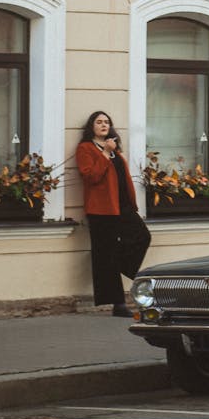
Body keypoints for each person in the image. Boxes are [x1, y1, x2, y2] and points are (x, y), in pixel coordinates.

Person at [76, 111, 151, 317]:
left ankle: (116, 264)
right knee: (106, 252)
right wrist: (105, 154)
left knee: (142, 236)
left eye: (107, 122)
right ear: (91, 126)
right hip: (101, 208)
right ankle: (118, 305)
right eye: (99, 122)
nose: (103, 125)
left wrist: (112, 152)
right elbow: (91, 176)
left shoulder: (114, 148)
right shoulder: (86, 149)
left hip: (122, 205)